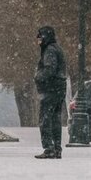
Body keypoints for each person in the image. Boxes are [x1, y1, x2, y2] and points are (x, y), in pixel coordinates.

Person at [34, 26, 67, 159]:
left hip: (50, 89)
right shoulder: (57, 48)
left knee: (45, 119)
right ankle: (57, 148)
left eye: (40, 37)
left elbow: (50, 69)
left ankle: (49, 148)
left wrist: (38, 76)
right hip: (59, 88)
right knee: (55, 119)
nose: (38, 41)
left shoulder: (49, 50)